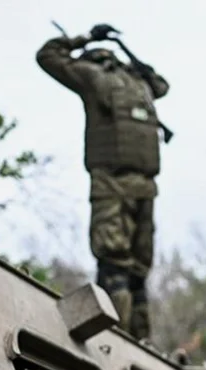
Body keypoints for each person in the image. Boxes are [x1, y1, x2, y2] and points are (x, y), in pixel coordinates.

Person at [36, 24, 170, 340]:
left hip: (143, 185)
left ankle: (138, 342)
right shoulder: (95, 77)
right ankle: (114, 340)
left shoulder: (133, 82)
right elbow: (46, 56)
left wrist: (117, 51)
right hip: (112, 182)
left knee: (134, 270)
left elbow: (162, 85)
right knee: (117, 266)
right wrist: (88, 38)